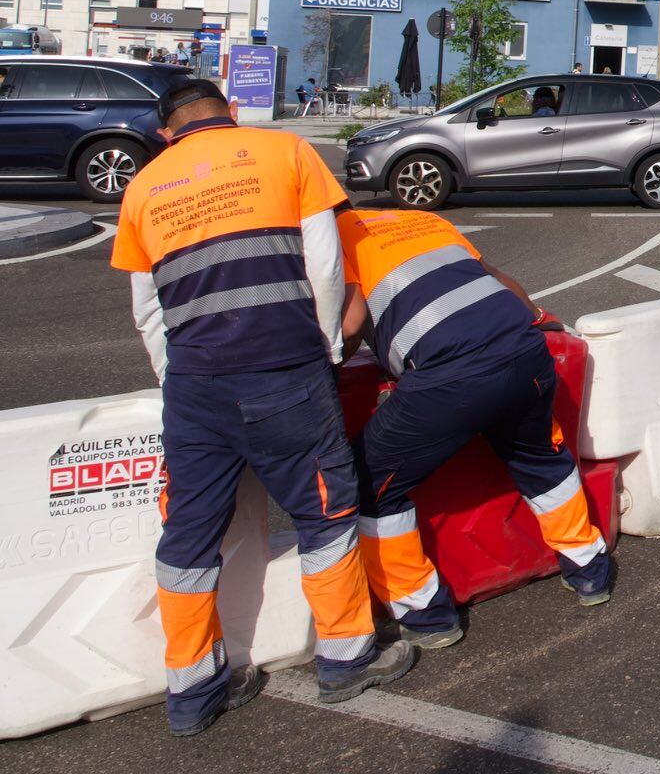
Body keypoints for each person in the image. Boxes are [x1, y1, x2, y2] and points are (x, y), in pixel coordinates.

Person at [109, 80, 414, 736]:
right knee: (324, 509)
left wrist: (183, 380)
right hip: (283, 369)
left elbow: (147, 312)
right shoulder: (285, 151)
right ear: (232, 113)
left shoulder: (143, 187)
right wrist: (328, 343)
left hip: (194, 386)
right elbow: (325, 266)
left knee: (189, 531)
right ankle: (345, 657)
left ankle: (191, 692)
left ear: (167, 133)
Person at [338, 207, 614, 647]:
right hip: (524, 352)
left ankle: (426, 615)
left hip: (450, 378)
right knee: (539, 454)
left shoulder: (330, 241)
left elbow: (348, 325)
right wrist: (542, 318)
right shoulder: (420, 219)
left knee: (367, 480)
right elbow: (494, 276)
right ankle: (589, 570)